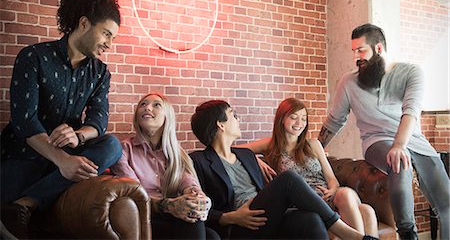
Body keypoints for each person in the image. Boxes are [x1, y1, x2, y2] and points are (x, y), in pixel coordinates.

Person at [0, 0, 123, 238]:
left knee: (112, 146)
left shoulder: (100, 72)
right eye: (107, 34)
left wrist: (78, 136)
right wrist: (62, 161)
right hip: (26, 155)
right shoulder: (33, 57)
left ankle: (27, 203)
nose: (109, 44)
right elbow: (25, 122)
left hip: (69, 155)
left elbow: (98, 120)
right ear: (84, 23)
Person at [317, 23, 450, 240]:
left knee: (446, 203)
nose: (356, 58)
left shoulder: (411, 72)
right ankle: (407, 232)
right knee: (398, 161)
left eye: (361, 50)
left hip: (412, 140)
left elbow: (411, 111)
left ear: (378, 49)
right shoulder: (348, 83)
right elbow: (334, 121)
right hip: (376, 141)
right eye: (354, 52)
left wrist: (399, 145)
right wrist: (312, 149)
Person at [190, 99, 380, 240]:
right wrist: (228, 217)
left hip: (267, 216)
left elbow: (236, 152)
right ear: (220, 124)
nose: (238, 118)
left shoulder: (246, 156)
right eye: (233, 114)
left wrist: (255, 159)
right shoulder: (198, 161)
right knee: (289, 178)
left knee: (311, 219)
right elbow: (196, 207)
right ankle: (350, 235)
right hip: (240, 224)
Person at [110, 93, 218, 240]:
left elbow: (188, 182)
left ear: (167, 116)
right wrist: (169, 206)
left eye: (156, 105)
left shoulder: (176, 154)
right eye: (143, 104)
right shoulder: (122, 150)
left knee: (211, 235)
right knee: (193, 223)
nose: (147, 108)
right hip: (143, 218)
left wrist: (198, 198)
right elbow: (134, 195)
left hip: (172, 216)